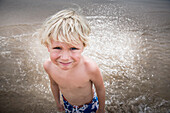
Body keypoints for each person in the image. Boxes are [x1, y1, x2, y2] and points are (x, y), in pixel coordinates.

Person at [36, 9, 105, 113]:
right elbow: (54, 84)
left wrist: (101, 109)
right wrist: (58, 104)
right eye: (57, 48)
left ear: (83, 47)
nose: (65, 57)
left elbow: (100, 88)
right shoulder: (48, 66)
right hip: (67, 104)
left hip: (89, 106)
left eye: (73, 48)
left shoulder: (89, 68)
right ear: (48, 46)